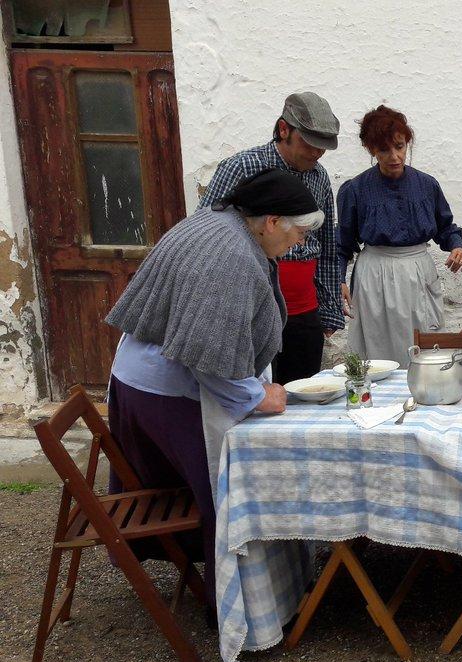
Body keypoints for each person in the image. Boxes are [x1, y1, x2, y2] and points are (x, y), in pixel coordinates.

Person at [105, 168, 323, 606]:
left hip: (144, 380)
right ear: (271, 221)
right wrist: (257, 396)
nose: (299, 242)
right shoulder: (229, 255)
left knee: (200, 489)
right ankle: (236, 603)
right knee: (225, 489)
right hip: (164, 392)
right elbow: (207, 355)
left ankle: (235, 586)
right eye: (297, 232)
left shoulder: (217, 222)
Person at [199, 92, 344, 384]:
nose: (317, 153)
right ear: (283, 130)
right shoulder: (241, 167)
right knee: (257, 393)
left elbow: (327, 244)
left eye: (323, 147)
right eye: (309, 143)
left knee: (304, 394)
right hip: (251, 306)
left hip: (304, 310)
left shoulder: (319, 176)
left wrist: (329, 309)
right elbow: (206, 231)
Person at [336, 105, 462, 366]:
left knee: (425, 344)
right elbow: (343, 244)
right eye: (384, 149)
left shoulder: (427, 185)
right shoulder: (355, 190)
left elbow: (446, 228)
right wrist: (338, 280)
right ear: (371, 150)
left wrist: (458, 246)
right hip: (375, 275)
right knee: (376, 350)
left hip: (417, 272)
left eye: (399, 146)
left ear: (407, 143)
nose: (394, 156)